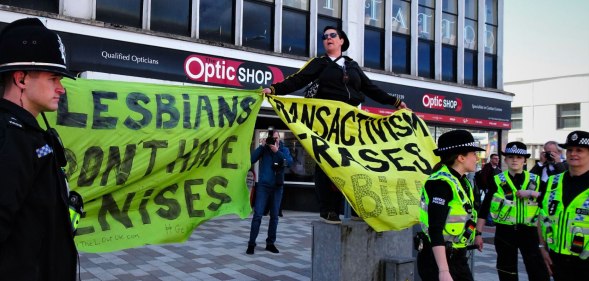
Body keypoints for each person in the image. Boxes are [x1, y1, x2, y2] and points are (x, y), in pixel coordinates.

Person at [262, 26, 408, 224]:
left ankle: (359, 206)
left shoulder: (353, 66)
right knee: (327, 163)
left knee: (356, 162)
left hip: (350, 122)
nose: (327, 38)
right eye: (324, 37)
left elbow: (370, 88)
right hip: (327, 122)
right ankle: (328, 209)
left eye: (332, 35)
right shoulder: (319, 63)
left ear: (341, 41)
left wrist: (395, 103)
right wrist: (274, 89)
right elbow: (297, 80)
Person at [0, 18, 81, 280]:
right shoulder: (9, 139)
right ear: (21, 78)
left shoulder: (31, 135)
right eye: (54, 78)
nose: (62, 88)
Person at [475, 142, 549, 281]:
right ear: (506, 160)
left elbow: (548, 203)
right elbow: (484, 208)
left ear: (525, 160)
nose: (515, 159)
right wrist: (478, 234)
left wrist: (532, 193)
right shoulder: (496, 181)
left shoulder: (537, 181)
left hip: (530, 233)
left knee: (538, 273)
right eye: (511, 156)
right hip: (505, 233)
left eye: (519, 157)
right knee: (507, 273)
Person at [416, 130, 483, 281]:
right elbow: (435, 229)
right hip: (439, 262)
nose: (477, 158)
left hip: (457, 258)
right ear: (460, 157)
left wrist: (476, 234)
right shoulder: (441, 183)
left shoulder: (462, 181)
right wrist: (444, 271)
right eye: (473, 154)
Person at [538, 130, 589, 280]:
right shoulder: (553, 182)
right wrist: (542, 248)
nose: (573, 153)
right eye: (570, 150)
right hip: (557, 259)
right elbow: (542, 216)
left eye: (579, 150)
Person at [246, 129, 293, 254]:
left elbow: (289, 162)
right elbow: (251, 159)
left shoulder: (284, 150)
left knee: (274, 217)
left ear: (280, 139)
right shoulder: (264, 149)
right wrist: (261, 146)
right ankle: (251, 243)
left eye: (277, 138)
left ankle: (270, 243)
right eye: (272, 138)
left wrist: (277, 151)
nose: (274, 141)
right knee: (257, 215)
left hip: (277, 187)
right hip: (263, 186)